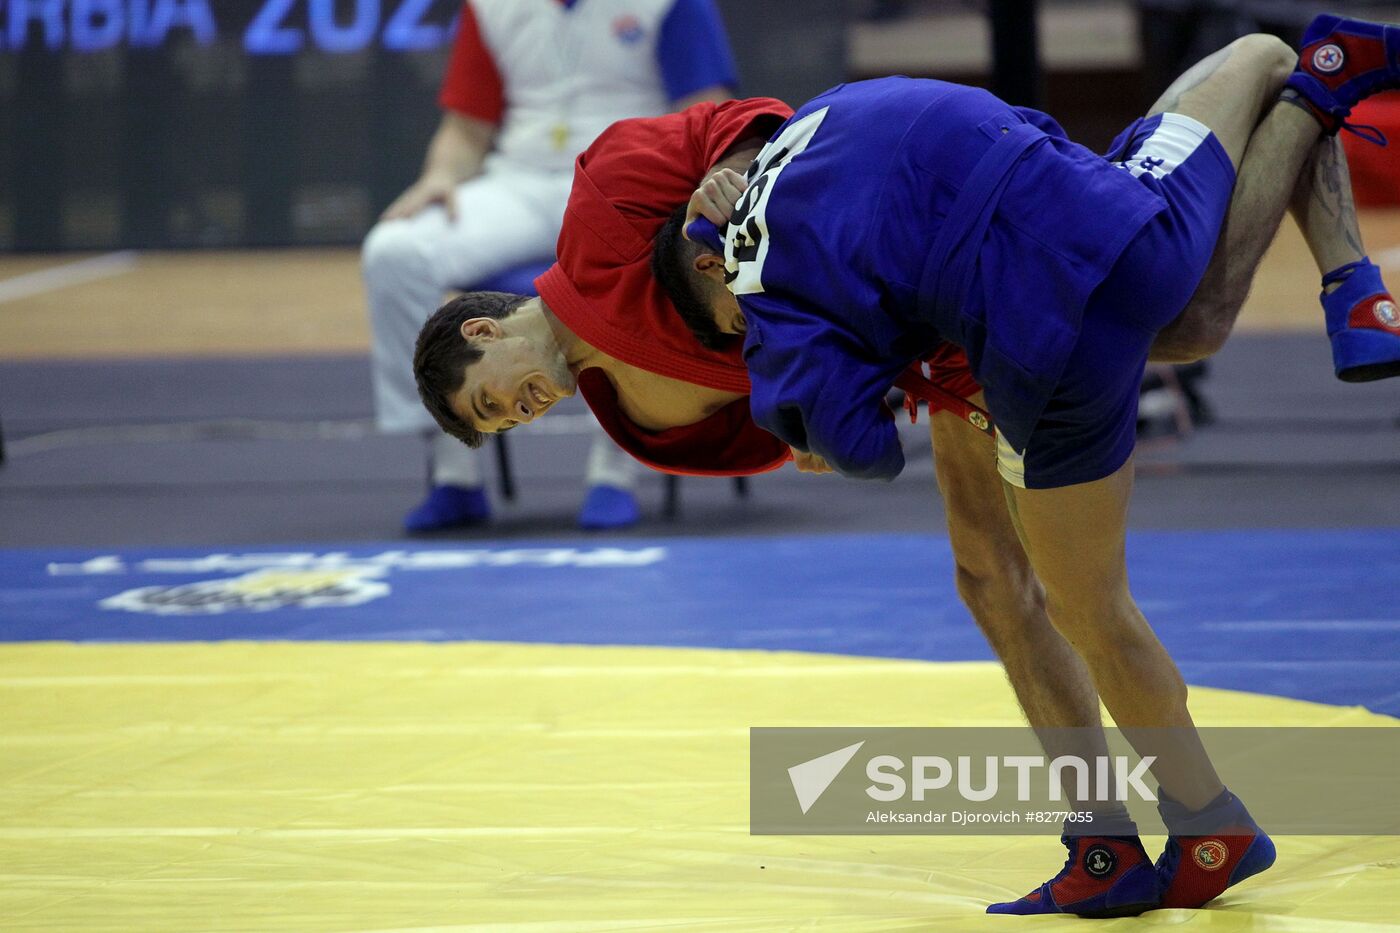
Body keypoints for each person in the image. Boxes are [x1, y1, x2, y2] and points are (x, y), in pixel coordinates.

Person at [412, 14, 1400, 915]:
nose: (518, 412)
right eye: (499, 426)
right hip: (914, 345)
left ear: (484, 326)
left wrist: (741, 188)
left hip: (926, 251)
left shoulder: (606, 190)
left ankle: (1302, 154)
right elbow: (793, 426)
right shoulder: (632, 419)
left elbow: (770, 132)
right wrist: (815, 433)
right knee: (995, 579)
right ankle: (1101, 835)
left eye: (492, 396)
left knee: (1170, 331)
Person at [363, 0, 737, 532]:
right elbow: (466, 129)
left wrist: (681, 198)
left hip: (627, 187)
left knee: (655, 264)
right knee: (394, 251)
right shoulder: (489, 6)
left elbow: (705, 109)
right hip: (520, 182)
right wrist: (440, 175)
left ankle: (614, 471)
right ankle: (453, 474)